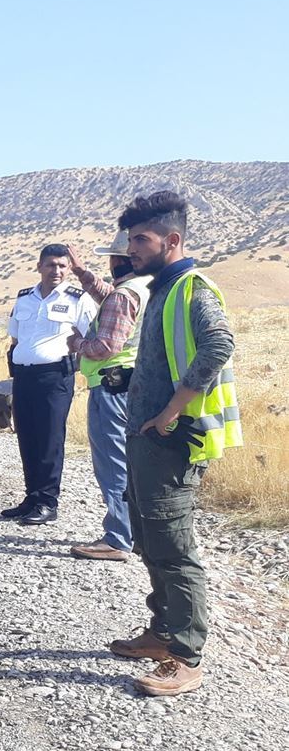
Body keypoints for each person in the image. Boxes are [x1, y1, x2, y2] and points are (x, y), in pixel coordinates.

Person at [107, 191, 241, 697]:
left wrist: (170, 410)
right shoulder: (161, 289)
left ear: (172, 240)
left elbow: (219, 344)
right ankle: (162, 633)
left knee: (174, 547)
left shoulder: (192, 288)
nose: (131, 248)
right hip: (147, 438)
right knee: (148, 538)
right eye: (131, 239)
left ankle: (185, 655)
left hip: (173, 440)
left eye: (141, 239)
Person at [66, 235, 152, 561]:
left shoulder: (123, 295)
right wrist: (82, 273)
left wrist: (77, 345)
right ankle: (136, 534)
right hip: (133, 385)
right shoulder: (145, 288)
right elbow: (110, 297)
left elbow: (105, 347)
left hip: (111, 387)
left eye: (112, 258)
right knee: (131, 462)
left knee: (113, 463)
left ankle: (118, 538)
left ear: (119, 260)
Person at [1, 244, 97, 525]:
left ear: (68, 269)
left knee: (50, 439)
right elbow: (15, 337)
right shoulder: (24, 299)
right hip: (24, 376)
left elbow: (90, 336)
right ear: (39, 266)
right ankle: (31, 497)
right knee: (27, 436)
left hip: (55, 377)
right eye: (51, 265)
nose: (56, 270)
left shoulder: (78, 299)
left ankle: (47, 502)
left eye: (62, 266)